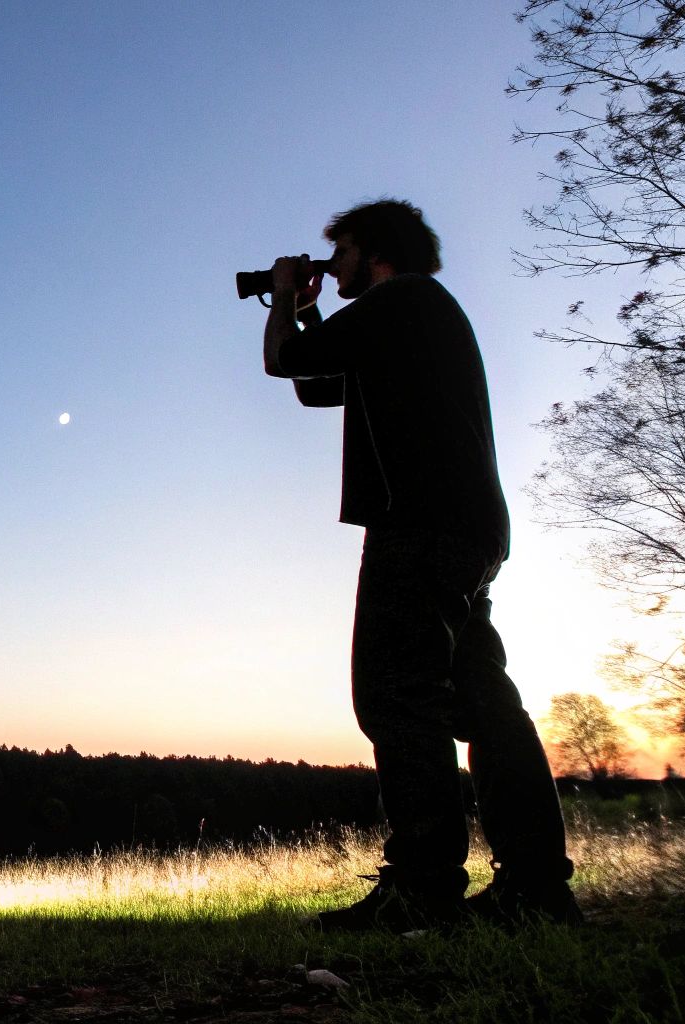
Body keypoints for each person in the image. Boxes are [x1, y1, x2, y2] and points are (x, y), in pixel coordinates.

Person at [260, 198, 582, 932]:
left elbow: (285, 362)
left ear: (374, 251)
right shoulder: (413, 314)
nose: (331, 265)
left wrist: (282, 300)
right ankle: (536, 890)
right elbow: (317, 386)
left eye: (340, 252)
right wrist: (308, 311)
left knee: (396, 697)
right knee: (482, 702)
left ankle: (424, 888)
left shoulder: (400, 298)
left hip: (419, 525)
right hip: (467, 527)